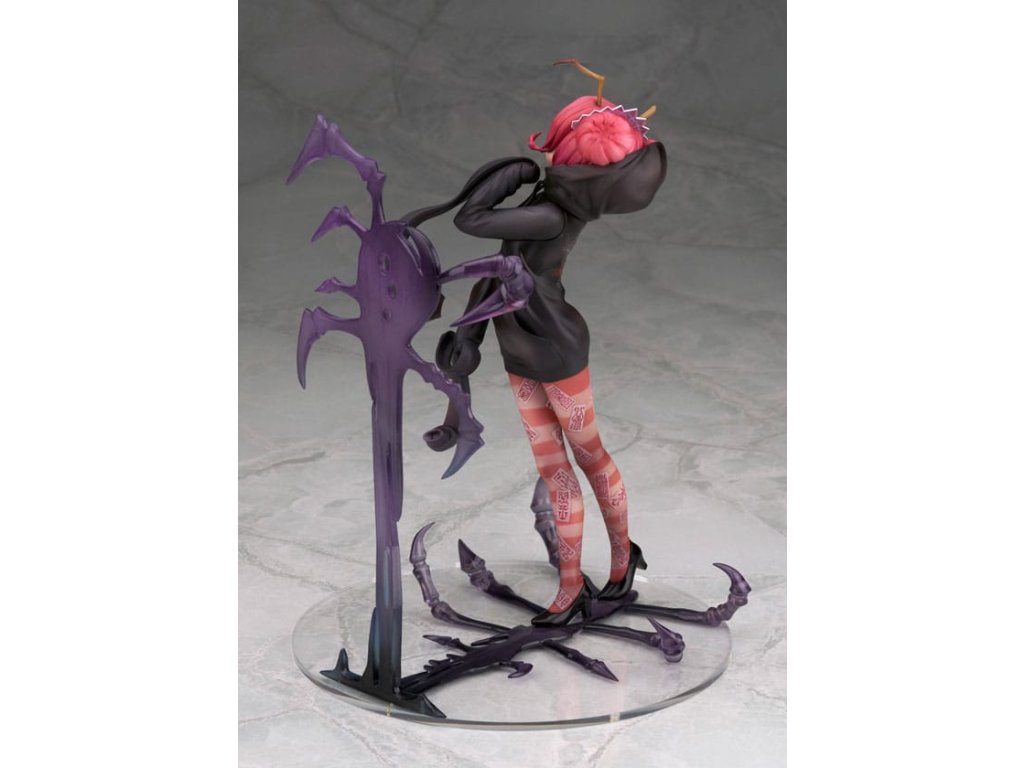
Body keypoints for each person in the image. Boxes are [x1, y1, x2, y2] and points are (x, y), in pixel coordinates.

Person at [434, 65, 667, 626]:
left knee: (587, 457)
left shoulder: (548, 215)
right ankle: (571, 584)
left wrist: (510, 173)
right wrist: (469, 336)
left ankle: (619, 562)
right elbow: (498, 272)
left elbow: (470, 220)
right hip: (522, 349)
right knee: (555, 468)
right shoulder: (544, 207)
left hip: (557, 348)